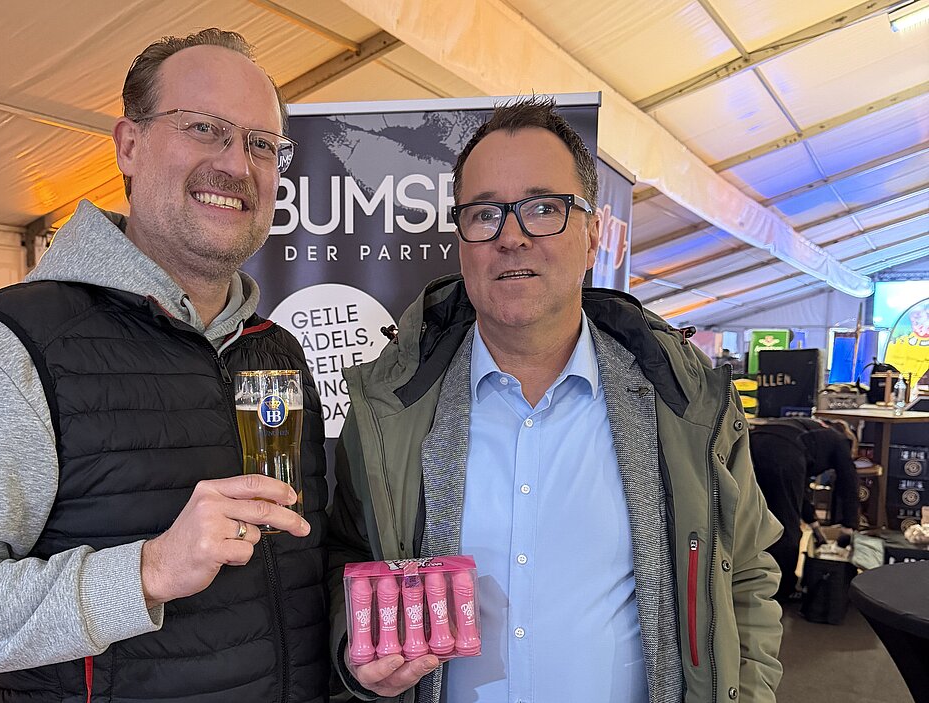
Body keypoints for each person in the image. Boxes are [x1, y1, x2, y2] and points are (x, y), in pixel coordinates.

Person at [327, 96, 783, 702]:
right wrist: (354, 647)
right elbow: (348, 557)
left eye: (544, 208)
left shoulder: (686, 406)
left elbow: (744, 576)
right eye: (484, 214)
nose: (511, 237)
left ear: (592, 235)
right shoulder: (388, 413)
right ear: (461, 241)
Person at [0, 29, 329, 702]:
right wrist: (146, 571)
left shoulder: (275, 349)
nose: (237, 163)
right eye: (204, 128)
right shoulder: (16, 344)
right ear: (129, 146)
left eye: (262, 144)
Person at [749, 417, 860, 600]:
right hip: (783, 451)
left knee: (754, 517)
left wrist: (815, 526)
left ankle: (749, 580)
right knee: (787, 527)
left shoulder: (814, 429)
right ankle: (784, 589)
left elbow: (799, 491)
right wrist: (848, 527)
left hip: (753, 442)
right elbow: (849, 482)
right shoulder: (840, 440)